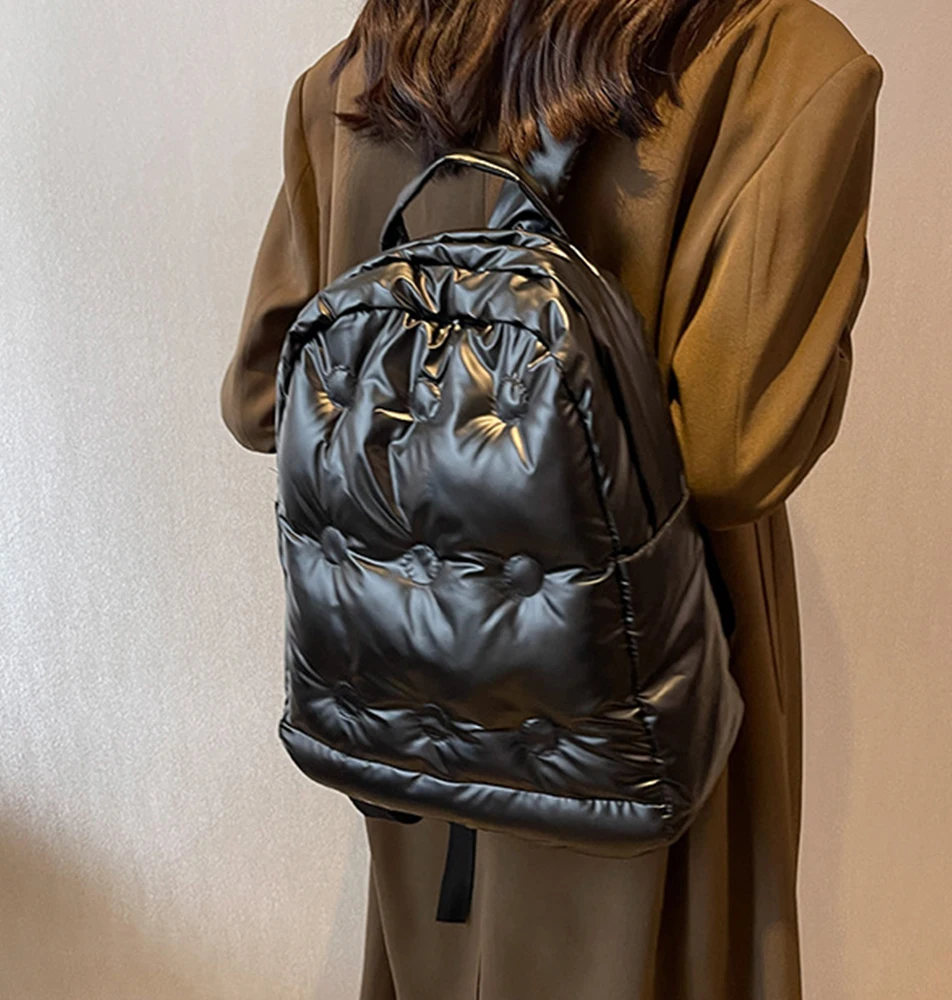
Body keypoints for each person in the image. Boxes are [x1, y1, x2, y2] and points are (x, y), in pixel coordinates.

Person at [219, 0, 884, 996]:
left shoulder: (365, 72)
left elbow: (261, 398)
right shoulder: (779, 59)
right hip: (646, 707)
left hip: (426, 719)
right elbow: (733, 453)